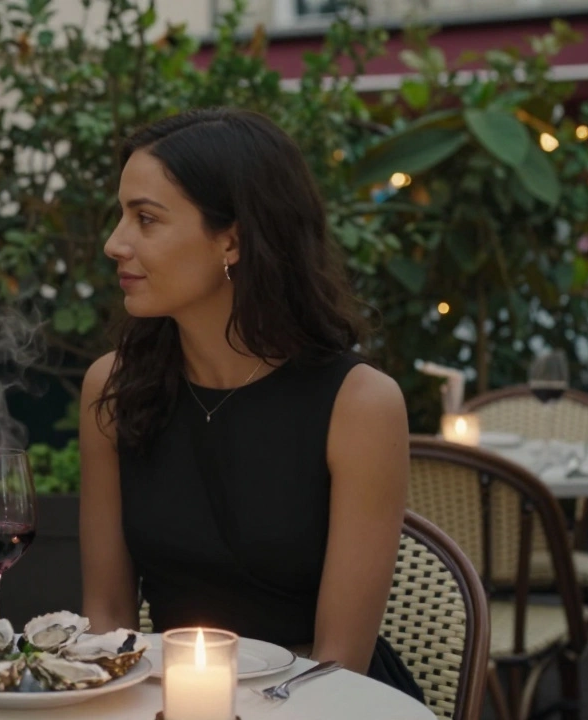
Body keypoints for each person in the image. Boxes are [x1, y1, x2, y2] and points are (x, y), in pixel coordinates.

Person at [78, 108, 423, 698]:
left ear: (232, 239)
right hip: (174, 701)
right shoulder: (112, 387)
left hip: (318, 703)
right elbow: (107, 615)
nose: (116, 242)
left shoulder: (359, 405)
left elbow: (340, 661)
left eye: (146, 218)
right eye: (122, 215)